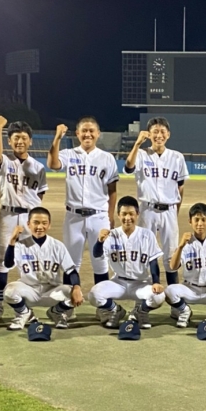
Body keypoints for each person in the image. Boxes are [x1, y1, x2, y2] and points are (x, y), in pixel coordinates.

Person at [0, 116, 48, 324]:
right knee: (2, 261)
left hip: (30, 218)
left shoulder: (38, 167)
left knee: (32, 260)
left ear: (30, 141)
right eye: (16, 138)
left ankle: (25, 305)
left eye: (23, 138)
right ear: (10, 141)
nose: (20, 142)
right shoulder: (5, 162)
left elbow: (40, 194)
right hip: (8, 215)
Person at [47, 117, 118, 286]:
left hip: (99, 216)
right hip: (74, 217)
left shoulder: (107, 158)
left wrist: (110, 216)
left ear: (98, 134)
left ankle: (103, 300)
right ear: (77, 134)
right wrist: (57, 138)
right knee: (71, 263)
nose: (88, 134)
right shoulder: (69, 154)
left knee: (100, 262)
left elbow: (112, 189)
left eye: (91, 131)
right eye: (84, 131)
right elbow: (53, 164)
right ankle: (70, 300)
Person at [123, 117, 189, 286]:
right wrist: (137, 144)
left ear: (168, 134)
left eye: (162, 132)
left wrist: (176, 210)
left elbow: (180, 186)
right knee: (145, 250)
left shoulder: (177, 157)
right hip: (148, 209)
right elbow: (129, 167)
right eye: (155, 132)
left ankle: (173, 293)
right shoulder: (141, 154)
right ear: (149, 134)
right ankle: (147, 291)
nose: (159, 135)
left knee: (171, 253)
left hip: (169, 210)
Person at [88, 196, 165, 329]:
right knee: (94, 295)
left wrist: (156, 282)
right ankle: (115, 310)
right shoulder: (111, 235)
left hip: (141, 284)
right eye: (124, 214)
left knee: (159, 296)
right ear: (118, 215)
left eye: (131, 214)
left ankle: (140, 311)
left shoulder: (147, 235)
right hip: (118, 283)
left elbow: (153, 262)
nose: (127, 218)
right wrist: (99, 242)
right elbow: (97, 254)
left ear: (137, 214)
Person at [2, 206, 84, 330]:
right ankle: (24, 313)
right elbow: (8, 264)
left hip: (52, 292)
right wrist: (12, 242)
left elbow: (71, 271)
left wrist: (77, 287)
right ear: (28, 224)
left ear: (49, 225)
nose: (40, 227)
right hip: (29, 291)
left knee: (74, 292)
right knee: (9, 291)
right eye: (36, 222)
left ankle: (56, 312)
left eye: (44, 223)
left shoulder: (58, 246)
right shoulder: (20, 246)